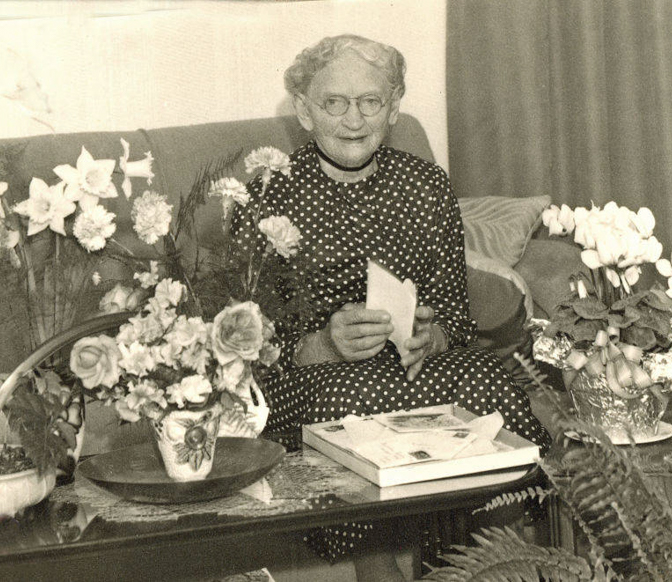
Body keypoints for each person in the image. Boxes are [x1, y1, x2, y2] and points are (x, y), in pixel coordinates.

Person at [231, 34, 549, 581]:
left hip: (412, 370)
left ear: (394, 107)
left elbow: (454, 312)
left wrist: (434, 336)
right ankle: (376, 564)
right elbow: (243, 336)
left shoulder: (426, 185)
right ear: (304, 111)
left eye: (370, 102)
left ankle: (491, 554)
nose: (353, 118)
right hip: (309, 376)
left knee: (487, 380)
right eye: (334, 102)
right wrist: (324, 343)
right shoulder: (268, 194)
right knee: (349, 397)